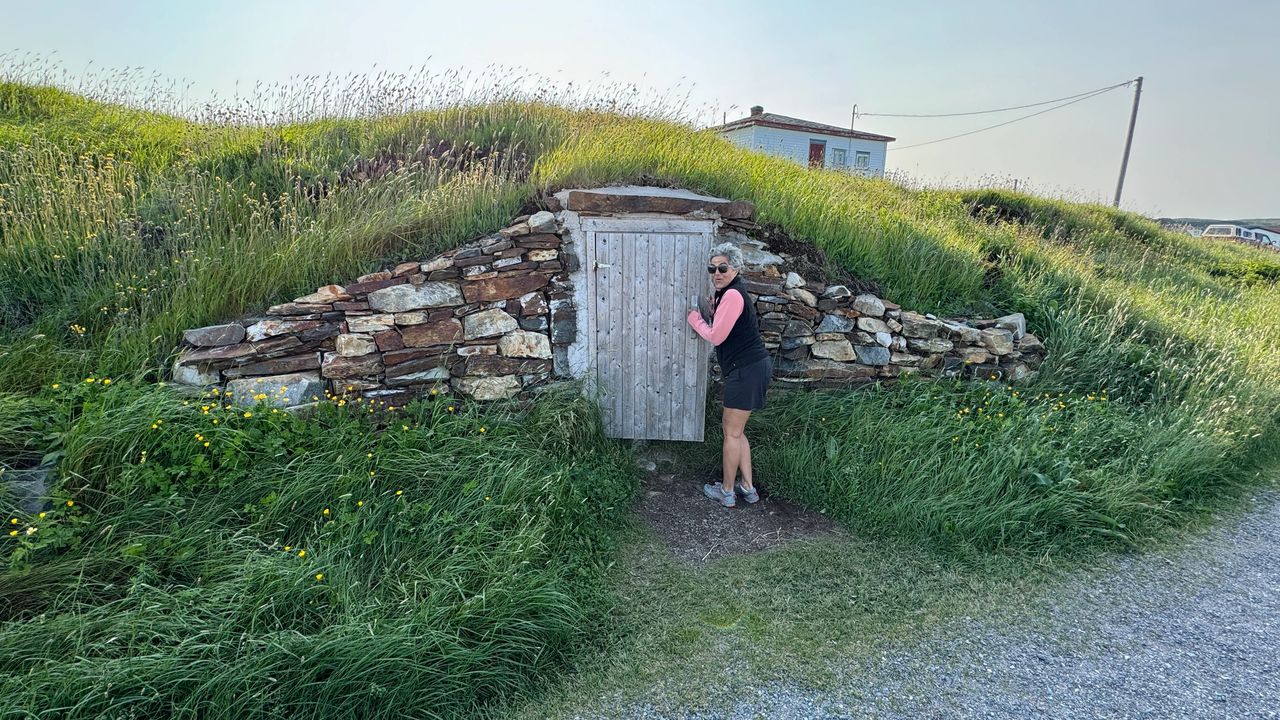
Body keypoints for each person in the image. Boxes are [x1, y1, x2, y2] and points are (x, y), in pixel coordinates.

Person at [686, 242, 772, 508]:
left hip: (746, 371)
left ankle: (726, 491)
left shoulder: (733, 295)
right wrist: (713, 309)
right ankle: (747, 488)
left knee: (731, 432)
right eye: (712, 269)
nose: (717, 273)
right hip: (750, 369)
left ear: (735, 268)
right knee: (736, 431)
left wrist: (695, 319)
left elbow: (716, 335)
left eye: (723, 268)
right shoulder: (728, 294)